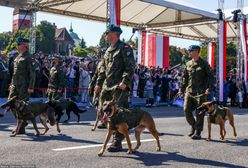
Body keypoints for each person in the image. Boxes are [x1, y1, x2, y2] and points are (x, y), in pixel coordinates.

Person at [95, 24, 135, 152]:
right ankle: (115, 132)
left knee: (119, 114)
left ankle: (117, 141)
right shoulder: (107, 51)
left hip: (119, 87)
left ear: (114, 34)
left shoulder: (124, 48)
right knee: (103, 111)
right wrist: (98, 83)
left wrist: (125, 81)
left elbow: (130, 67)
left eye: (107, 32)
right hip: (107, 86)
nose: (105, 35)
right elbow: (103, 70)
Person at [179, 45, 214, 140]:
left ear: (197, 51)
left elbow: (211, 77)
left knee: (200, 113)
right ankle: (194, 125)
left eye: (191, 50)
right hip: (189, 91)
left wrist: (209, 88)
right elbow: (184, 78)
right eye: (189, 50)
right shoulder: (188, 63)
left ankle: (198, 132)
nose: (189, 52)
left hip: (201, 92)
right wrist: (181, 90)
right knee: (186, 110)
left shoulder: (204, 63)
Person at [8, 37, 36, 134]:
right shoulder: (18, 57)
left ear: (25, 45)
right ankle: (22, 123)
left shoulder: (28, 57)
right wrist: (11, 84)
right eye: (17, 44)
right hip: (15, 86)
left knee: (22, 107)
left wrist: (31, 87)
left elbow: (32, 73)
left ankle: (20, 127)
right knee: (11, 104)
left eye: (19, 44)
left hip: (24, 87)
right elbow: (14, 73)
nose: (17, 45)